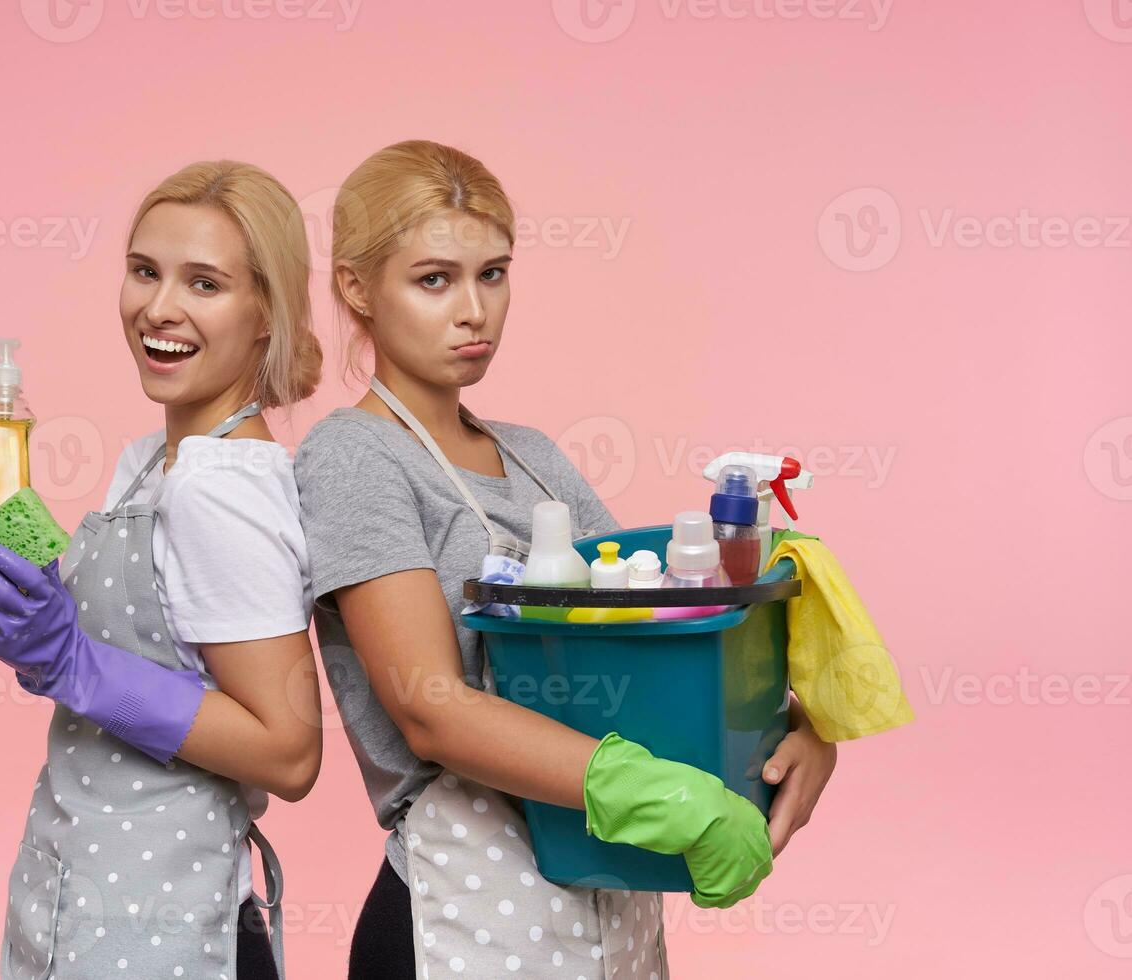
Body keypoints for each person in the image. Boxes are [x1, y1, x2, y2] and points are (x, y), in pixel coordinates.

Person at [294, 140, 838, 979]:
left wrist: (795, 728)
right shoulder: (355, 458)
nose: (474, 311)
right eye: (434, 279)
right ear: (357, 288)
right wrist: (655, 796)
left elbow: (654, 639)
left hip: (614, 909)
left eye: (494, 273)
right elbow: (430, 709)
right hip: (462, 908)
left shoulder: (536, 457)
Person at [0, 160, 324, 980]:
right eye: (144, 271)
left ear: (266, 314)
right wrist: (18, 601)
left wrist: (69, 660)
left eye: (205, 283)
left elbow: (288, 752)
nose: (158, 307)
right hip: (84, 901)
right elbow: (149, 651)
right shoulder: (155, 461)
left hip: (166, 933)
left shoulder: (224, 486)